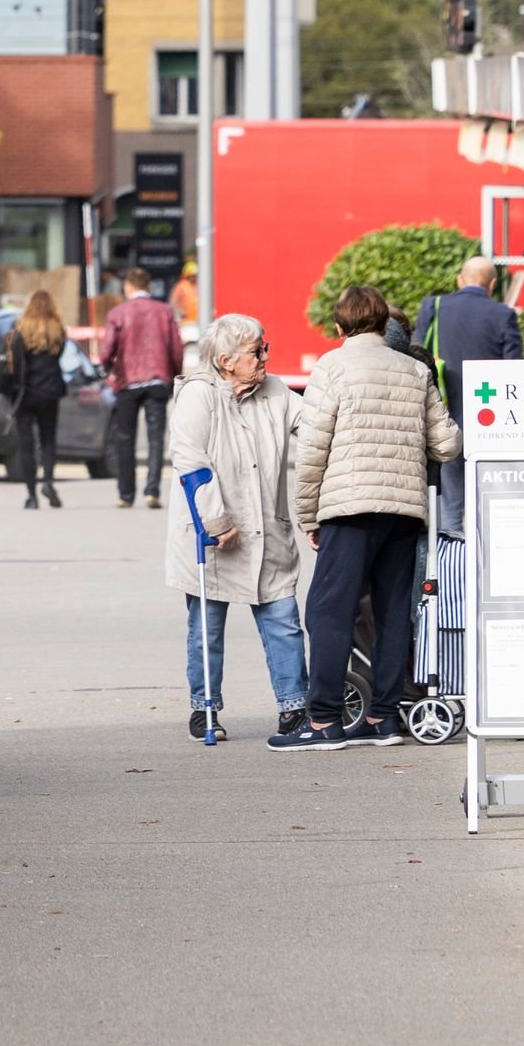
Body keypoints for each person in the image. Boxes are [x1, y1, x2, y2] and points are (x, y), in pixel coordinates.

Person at [289, 281, 459, 748]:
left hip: (349, 507)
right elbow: (447, 443)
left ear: (341, 325)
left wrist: (309, 515)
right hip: (404, 510)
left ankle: (323, 721)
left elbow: (312, 448)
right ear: (385, 322)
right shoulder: (413, 370)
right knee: (390, 613)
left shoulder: (332, 366)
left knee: (328, 611)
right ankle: (383, 718)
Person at [166, 312, 308, 746]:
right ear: (226, 360)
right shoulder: (198, 396)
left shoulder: (277, 391)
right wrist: (217, 520)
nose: (265, 356)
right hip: (214, 537)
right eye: (257, 351)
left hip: (267, 532)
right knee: (206, 628)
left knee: (283, 621)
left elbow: (315, 424)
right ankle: (204, 707)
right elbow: (191, 462)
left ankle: (294, 707)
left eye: (265, 348)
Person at [419, 255, 522, 706]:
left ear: (460, 280)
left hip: (444, 418)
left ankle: (451, 575)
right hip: (488, 424)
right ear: (493, 283)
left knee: (451, 513)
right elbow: (514, 373)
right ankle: (481, 572)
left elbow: (420, 357)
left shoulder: (435, 306)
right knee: (487, 506)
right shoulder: (503, 314)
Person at [94, 263, 185, 512]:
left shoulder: (119, 313)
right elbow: (176, 347)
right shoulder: (164, 311)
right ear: (148, 286)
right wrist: (175, 374)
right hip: (158, 379)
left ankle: (126, 494)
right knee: (156, 439)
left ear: (128, 286)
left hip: (128, 382)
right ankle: (152, 490)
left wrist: (103, 366)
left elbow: (108, 348)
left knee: (125, 438)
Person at [0, 287, 73, 510]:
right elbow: (61, 354)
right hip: (50, 391)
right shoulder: (58, 330)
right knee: (48, 440)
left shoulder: (20, 329)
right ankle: (47, 480)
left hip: (25, 392)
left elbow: (14, 360)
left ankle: (31, 495)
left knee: (26, 444)